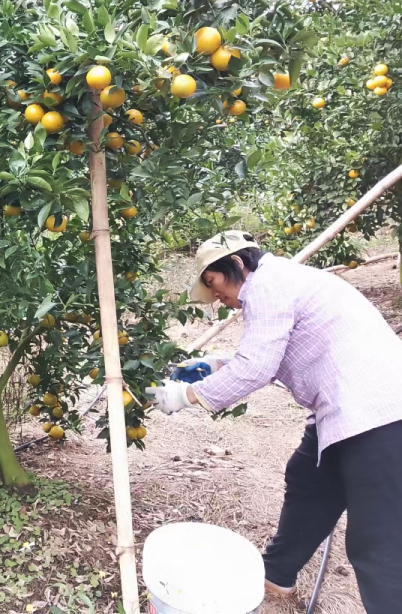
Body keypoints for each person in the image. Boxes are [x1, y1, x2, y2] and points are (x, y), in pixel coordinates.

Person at [147, 230, 402, 612]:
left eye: (214, 284)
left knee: (376, 543)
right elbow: (273, 348)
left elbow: (258, 366)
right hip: (344, 407)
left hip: (377, 413)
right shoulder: (278, 280)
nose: (216, 296)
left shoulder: (267, 284)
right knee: (309, 480)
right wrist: (215, 363)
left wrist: (185, 396)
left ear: (236, 264)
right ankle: (277, 573)